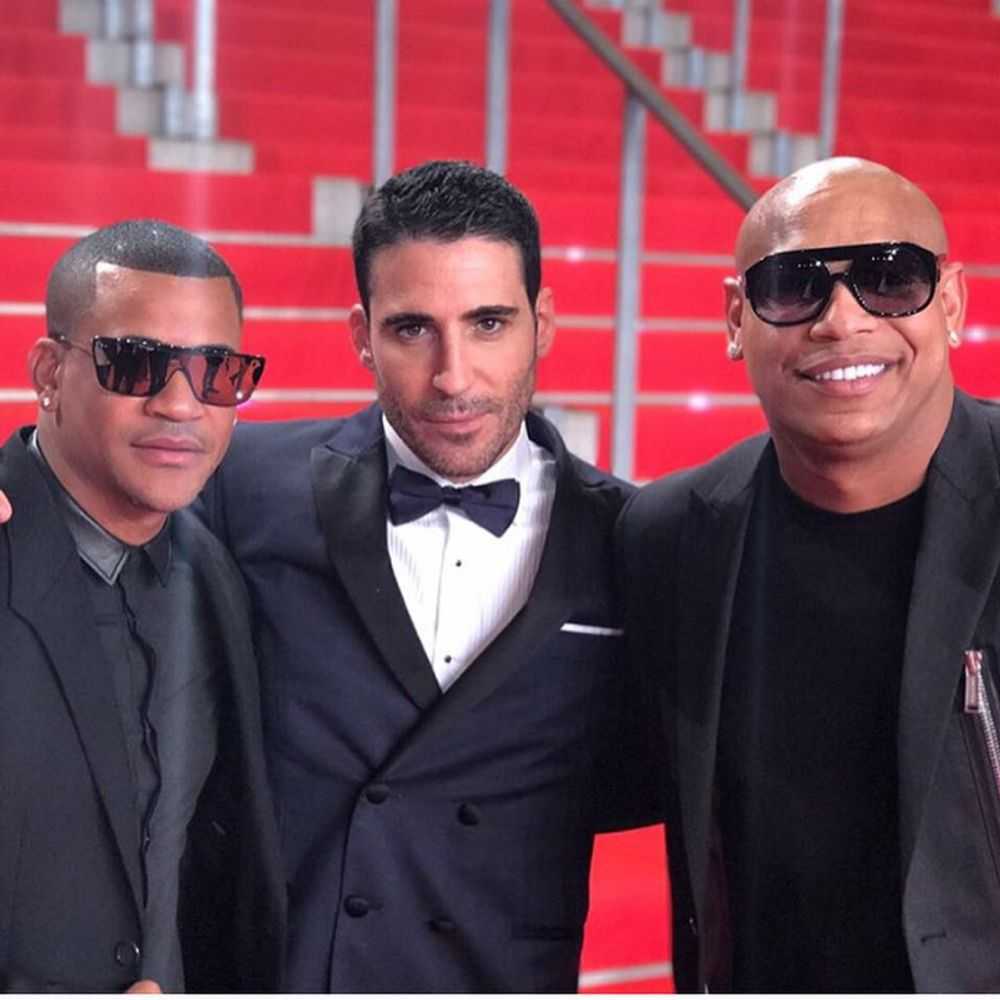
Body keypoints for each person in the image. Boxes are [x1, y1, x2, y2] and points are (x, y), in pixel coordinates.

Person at [196, 160, 655, 991]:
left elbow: (649, 774)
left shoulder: (633, 536)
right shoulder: (241, 485)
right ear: (361, 333)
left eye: (489, 323)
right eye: (412, 329)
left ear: (543, 324)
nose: (453, 377)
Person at [618, 156, 1000, 992]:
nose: (842, 321)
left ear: (952, 303)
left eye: (889, 279)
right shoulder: (667, 537)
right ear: (735, 319)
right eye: (794, 287)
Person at [0, 220, 284, 992]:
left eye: (216, 371)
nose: (181, 405)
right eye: (135, 363)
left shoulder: (214, 573)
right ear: (49, 373)